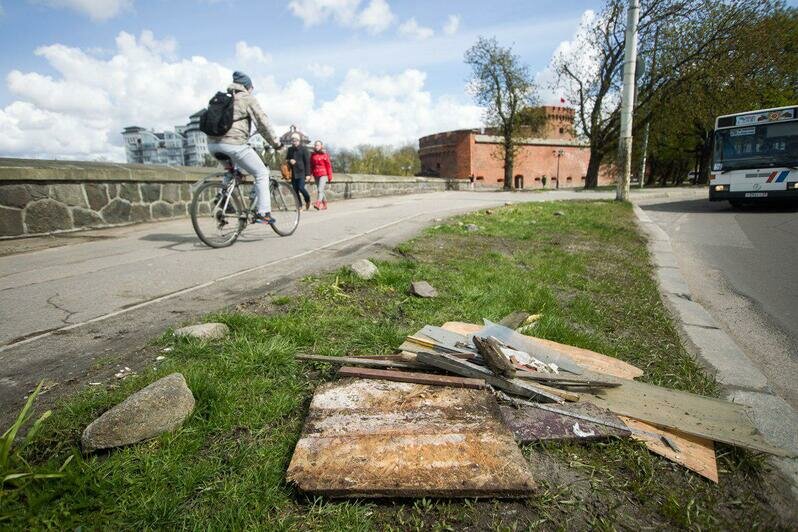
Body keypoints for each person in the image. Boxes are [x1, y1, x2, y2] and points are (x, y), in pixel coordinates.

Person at [206, 71, 281, 224]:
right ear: (247, 87)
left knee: (235, 172)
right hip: (233, 144)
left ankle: (223, 197)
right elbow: (262, 123)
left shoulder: (220, 99)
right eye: (251, 87)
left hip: (213, 146)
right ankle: (263, 213)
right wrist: (276, 143)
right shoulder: (247, 98)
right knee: (261, 173)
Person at [286, 133, 311, 210]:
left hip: (301, 172)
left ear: (299, 140)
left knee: (301, 187)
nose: (294, 142)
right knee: (295, 190)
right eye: (293, 141)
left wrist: (308, 174)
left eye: (296, 140)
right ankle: (299, 206)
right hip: (293, 172)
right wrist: (290, 160)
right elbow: (286, 159)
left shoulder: (304, 149)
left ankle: (307, 199)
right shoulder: (290, 149)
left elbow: (307, 162)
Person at [310, 140, 333, 210]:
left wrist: (330, 176)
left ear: (321, 146)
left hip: (323, 174)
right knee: (320, 190)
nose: (316, 146)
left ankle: (318, 203)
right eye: (315, 145)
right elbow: (311, 166)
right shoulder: (313, 155)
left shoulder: (325, 155)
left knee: (320, 189)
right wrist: (310, 174)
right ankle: (325, 204)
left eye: (318, 145)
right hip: (316, 174)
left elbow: (328, 166)